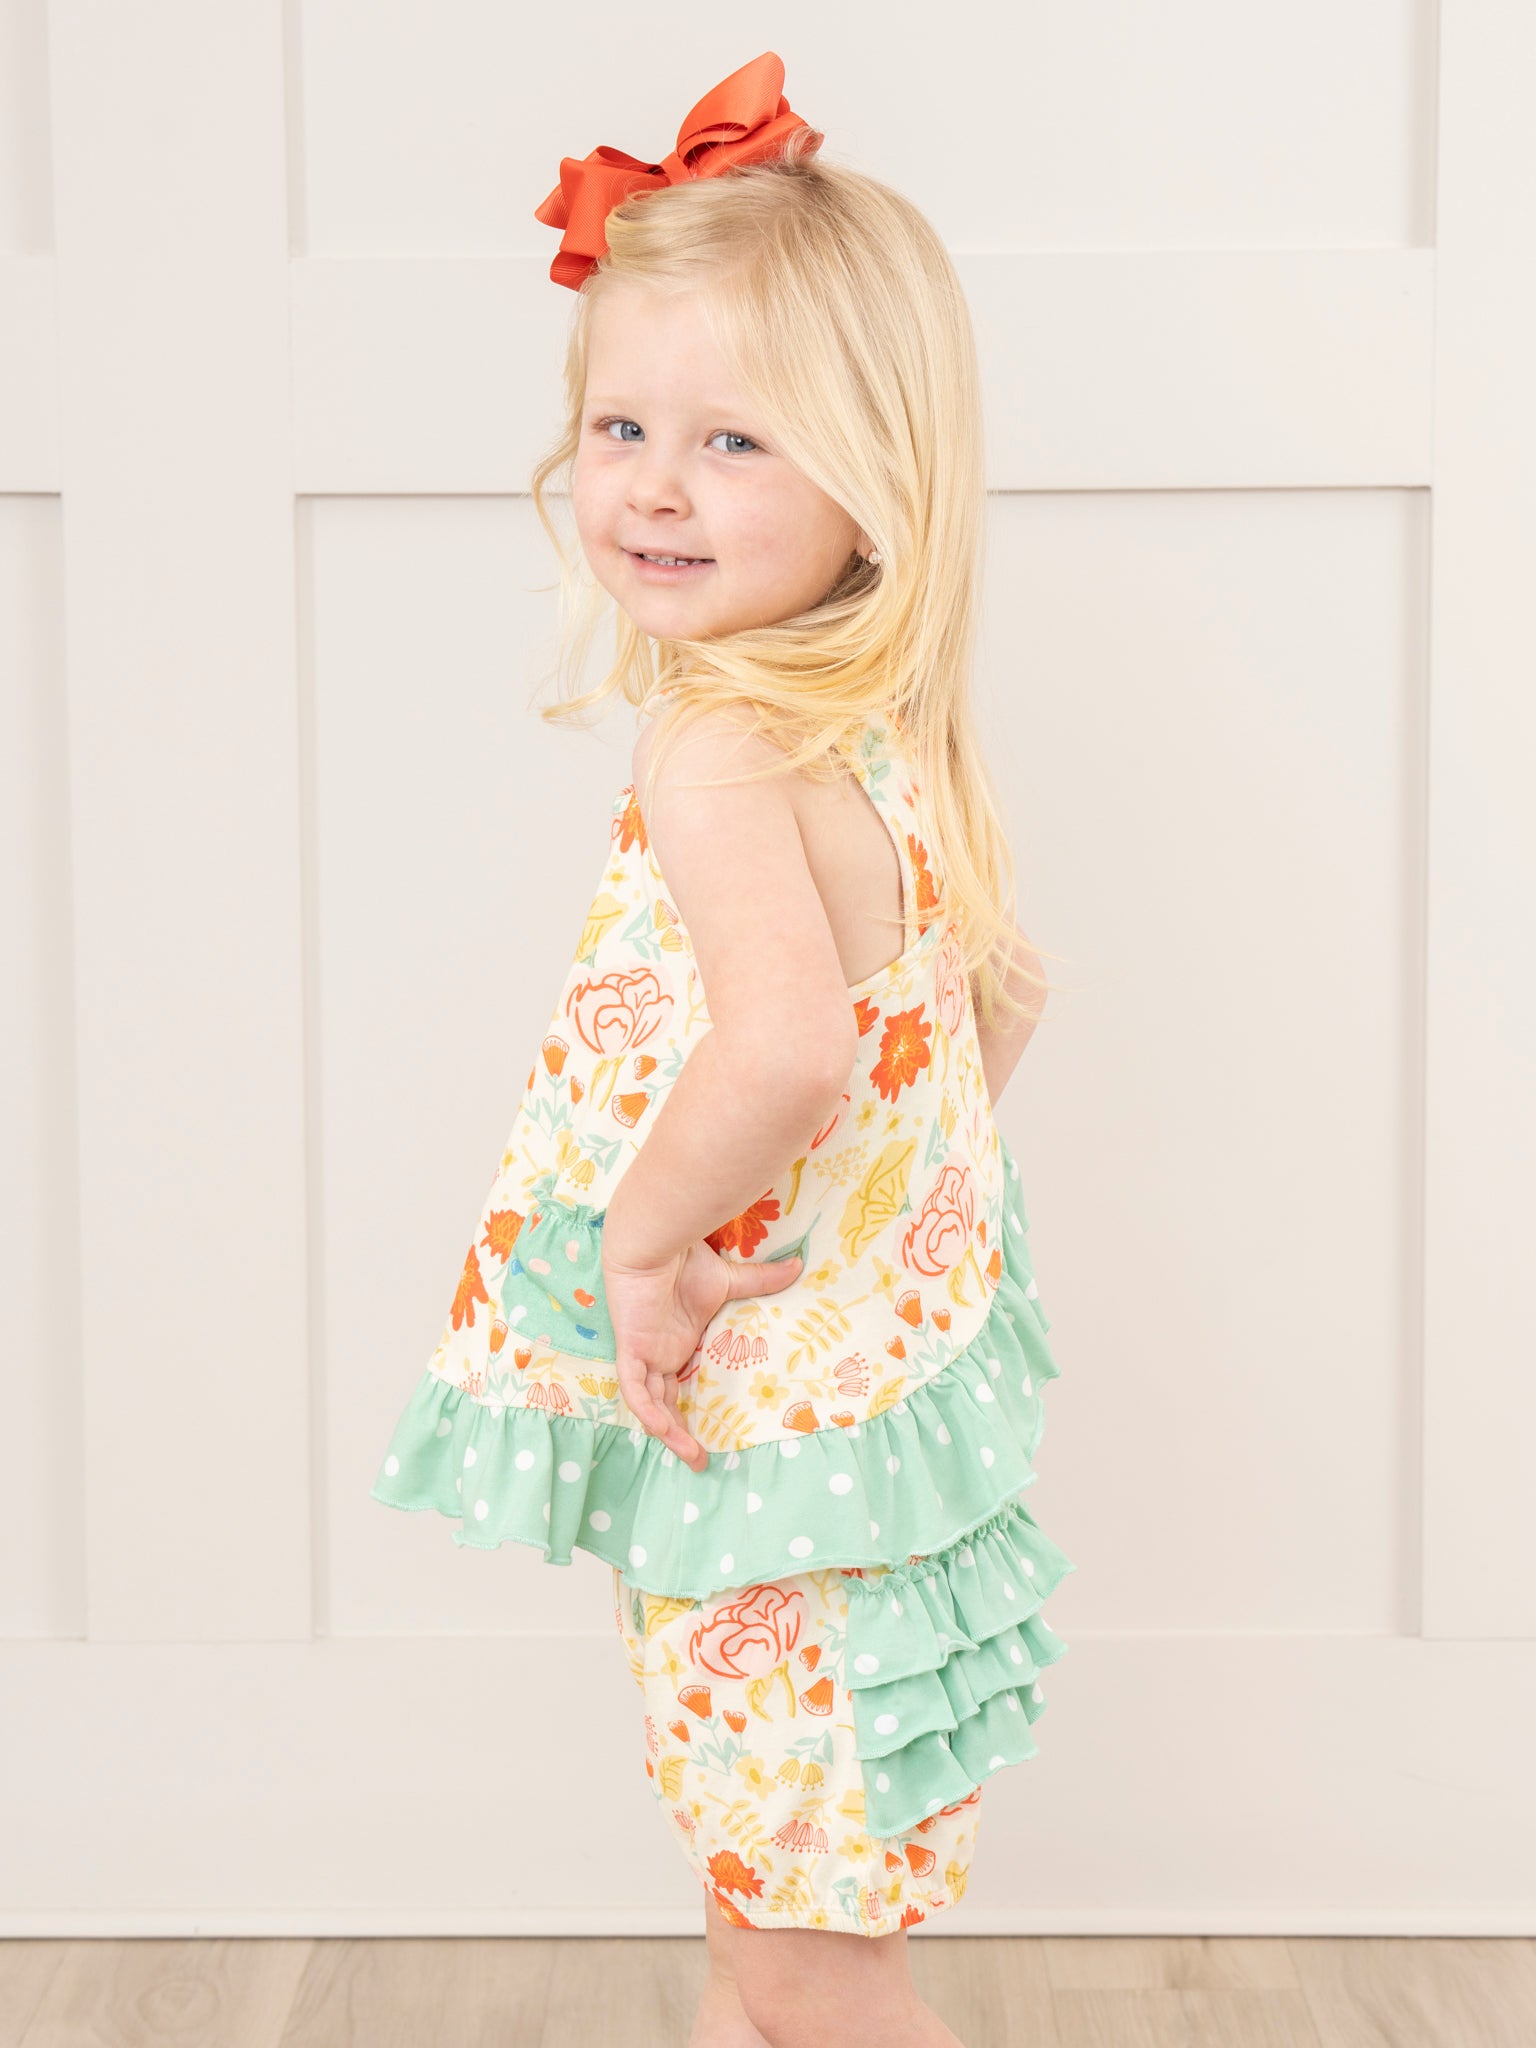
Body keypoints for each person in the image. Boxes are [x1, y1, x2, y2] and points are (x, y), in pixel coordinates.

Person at [370, 51, 1076, 2048]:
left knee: (805, 1966)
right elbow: (996, 1001)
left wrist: (644, 1245)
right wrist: (872, 1241)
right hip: (872, 1444)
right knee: (763, 1913)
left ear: (876, 481)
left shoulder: (721, 743)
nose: (654, 486)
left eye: (735, 441)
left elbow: (781, 1052)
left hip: (778, 1455)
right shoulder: (874, 723)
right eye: (621, 426)